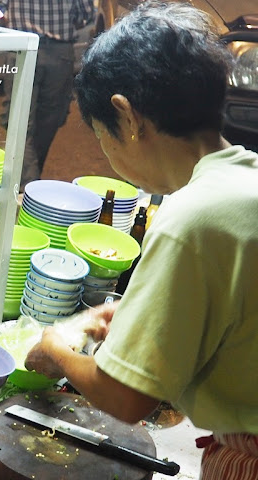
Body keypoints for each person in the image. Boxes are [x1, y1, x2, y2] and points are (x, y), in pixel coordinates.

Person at [24, 2, 258, 479]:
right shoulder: (245, 179)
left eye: (100, 138)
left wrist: (56, 349)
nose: (107, 154)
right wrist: (140, 317)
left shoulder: (190, 218)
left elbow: (126, 396)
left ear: (126, 118)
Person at [0, 0, 95, 192]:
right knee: (48, 121)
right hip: (59, 54)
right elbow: (85, 15)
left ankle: (25, 183)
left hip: (22, 47)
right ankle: (28, 186)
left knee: (19, 124)